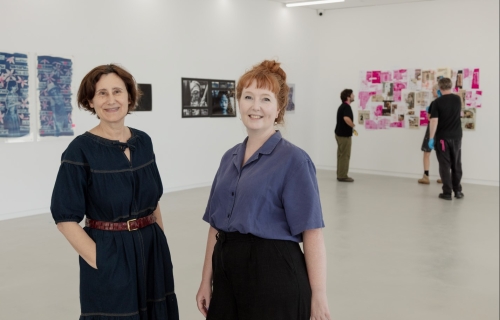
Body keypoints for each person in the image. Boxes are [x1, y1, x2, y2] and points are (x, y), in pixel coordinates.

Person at [196, 60, 330, 320]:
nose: (255, 106)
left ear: (279, 108)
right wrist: (206, 280)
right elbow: (215, 225)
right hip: (226, 273)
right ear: (239, 103)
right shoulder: (229, 157)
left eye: (265, 99)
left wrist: (319, 294)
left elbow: (312, 231)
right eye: (248, 97)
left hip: (274, 275)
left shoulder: (294, 161)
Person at [51, 64, 179, 319]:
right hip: (110, 250)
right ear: (91, 101)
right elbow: (64, 217)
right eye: (102, 93)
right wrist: (102, 261)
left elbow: (153, 202)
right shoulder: (80, 151)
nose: (111, 100)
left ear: (129, 97)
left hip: (151, 247)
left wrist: (161, 243)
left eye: (117, 92)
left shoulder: (144, 142)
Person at [428, 77, 464, 200]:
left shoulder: (437, 102)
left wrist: (431, 138)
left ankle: (447, 193)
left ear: (440, 88)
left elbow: (433, 121)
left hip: (443, 138)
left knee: (445, 165)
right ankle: (458, 191)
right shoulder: (457, 99)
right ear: (451, 86)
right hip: (457, 137)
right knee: (456, 164)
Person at [418, 84, 442, 184]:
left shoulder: (435, 103)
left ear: (438, 91)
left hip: (432, 130)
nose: (432, 92)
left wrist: (429, 112)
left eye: (433, 90)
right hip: (442, 130)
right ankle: (444, 176)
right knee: (442, 155)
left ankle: (426, 176)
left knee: (426, 153)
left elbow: (430, 118)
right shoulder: (448, 102)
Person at [335, 89, 355, 182]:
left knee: (340, 155)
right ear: (348, 97)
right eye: (352, 94)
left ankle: (340, 174)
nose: (353, 96)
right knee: (344, 155)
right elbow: (346, 118)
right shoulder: (346, 107)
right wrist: (353, 125)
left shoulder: (342, 106)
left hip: (339, 134)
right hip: (344, 136)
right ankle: (343, 175)